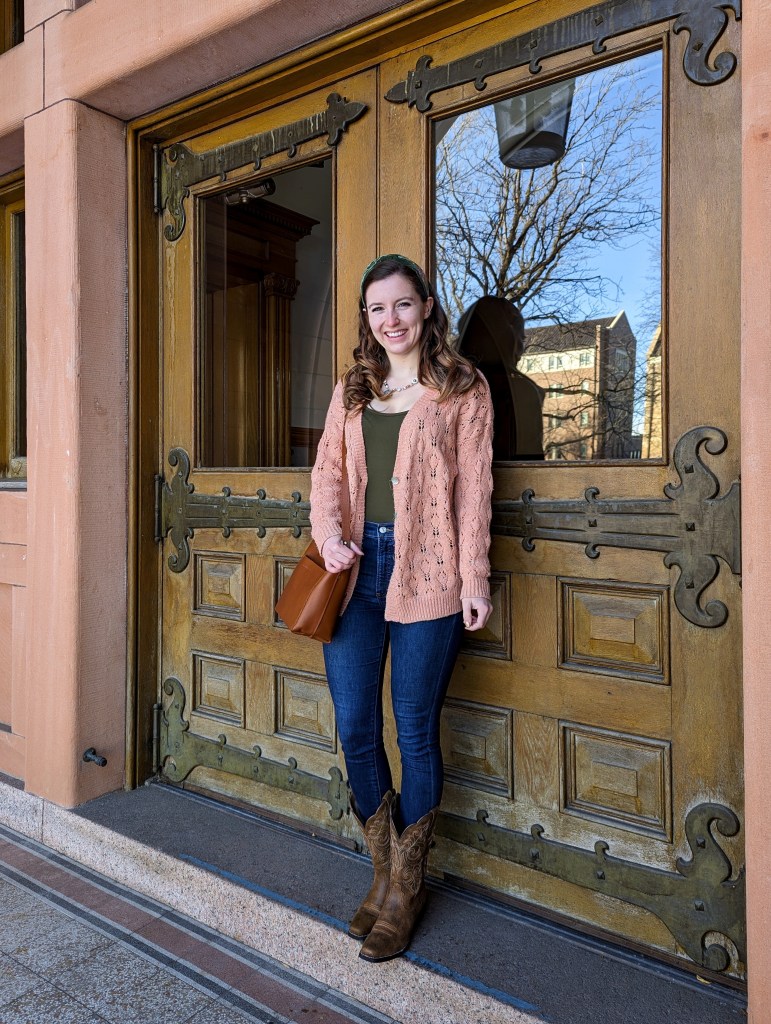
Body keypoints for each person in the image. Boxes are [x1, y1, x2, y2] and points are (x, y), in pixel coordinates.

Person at [309, 254, 494, 962]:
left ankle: (404, 894)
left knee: (413, 730)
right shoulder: (353, 390)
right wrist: (328, 540)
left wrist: (472, 579)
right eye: (377, 308)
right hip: (355, 572)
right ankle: (383, 873)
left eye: (402, 305)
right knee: (356, 725)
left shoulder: (460, 388)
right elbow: (327, 471)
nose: (390, 320)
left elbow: (475, 490)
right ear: (367, 317)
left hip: (431, 571)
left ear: (425, 308)